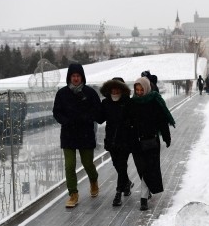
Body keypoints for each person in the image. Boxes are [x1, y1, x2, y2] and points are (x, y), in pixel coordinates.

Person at [52, 63, 102, 208]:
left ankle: (93, 180)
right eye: (73, 76)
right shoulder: (62, 94)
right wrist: (66, 121)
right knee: (69, 165)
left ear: (82, 77)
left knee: (87, 163)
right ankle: (73, 194)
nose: (75, 78)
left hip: (86, 133)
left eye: (78, 76)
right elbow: (57, 112)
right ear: (69, 77)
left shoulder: (90, 93)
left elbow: (97, 110)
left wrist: (87, 118)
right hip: (68, 134)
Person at [127, 76, 175, 211]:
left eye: (142, 89)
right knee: (142, 169)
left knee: (149, 168)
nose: (139, 92)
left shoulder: (154, 101)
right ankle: (147, 191)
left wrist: (166, 137)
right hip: (137, 141)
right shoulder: (132, 103)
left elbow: (162, 121)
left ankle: (143, 198)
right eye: (137, 89)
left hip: (151, 141)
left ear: (147, 88)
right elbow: (128, 123)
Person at [97, 77, 134, 207]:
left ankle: (118, 193)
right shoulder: (106, 103)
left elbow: (133, 119)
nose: (115, 90)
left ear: (122, 89)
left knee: (122, 165)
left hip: (125, 140)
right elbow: (100, 119)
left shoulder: (128, 102)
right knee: (117, 165)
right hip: (112, 140)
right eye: (113, 87)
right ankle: (127, 183)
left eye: (118, 88)